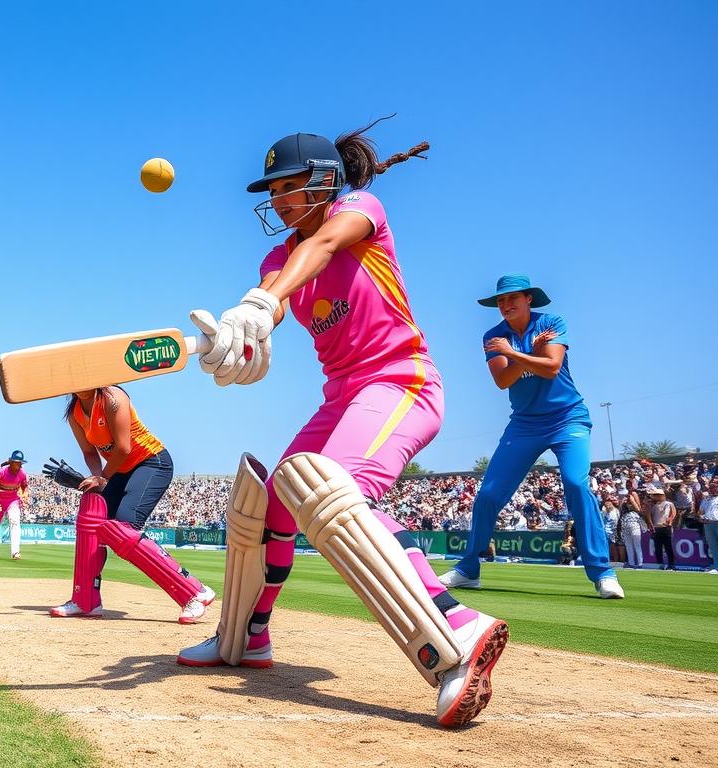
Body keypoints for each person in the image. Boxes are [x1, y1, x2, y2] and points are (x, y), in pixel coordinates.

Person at [175, 122, 504, 729]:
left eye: (290, 186)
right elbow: (275, 283)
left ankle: (456, 625)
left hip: (401, 382)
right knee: (268, 505)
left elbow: (322, 248)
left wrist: (265, 305)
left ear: (326, 182)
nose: (278, 200)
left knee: (337, 490)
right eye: (272, 190)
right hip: (342, 396)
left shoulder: (361, 209)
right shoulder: (277, 256)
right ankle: (247, 637)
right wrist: (239, 340)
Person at [440, 274, 621, 599]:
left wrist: (516, 353)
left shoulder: (551, 321)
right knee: (488, 496)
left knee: (577, 484)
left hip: (568, 419)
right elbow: (503, 380)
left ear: (528, 300)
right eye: (500, 301)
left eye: (512, 299)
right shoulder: (493, 336)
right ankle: (469, 569)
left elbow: (551, 366)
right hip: (524, 425)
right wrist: (523, 354)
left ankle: (602, 573)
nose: (506, 305)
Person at [46, 385, 214, 624]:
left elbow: (124, 448)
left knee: (123, 526)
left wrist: (102, 477)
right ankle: (85, 600)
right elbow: (90, 452)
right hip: (120, 470)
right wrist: (96, 480)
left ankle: (194, 591)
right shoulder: (75, 412)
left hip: (151, 462)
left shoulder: (113, 398)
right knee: (91, 514)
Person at [0, 450, 29, 560]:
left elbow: (24, 487)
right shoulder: (2, 471)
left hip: (13, 500)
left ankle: (15, 552)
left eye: (20, 463)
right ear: (11, 462)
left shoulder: (22, 474)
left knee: (15, 522)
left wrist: (25, 495)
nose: (19, 465)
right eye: (17, 462)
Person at [645, 488, 676, 570]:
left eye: (657, 495)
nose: (655, 497)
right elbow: (648, 515)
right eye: (655, 495)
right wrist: (651, 525)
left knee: (668, 546)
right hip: (656, 527)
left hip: (666, 527)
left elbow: (673, 513)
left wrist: (669, 521)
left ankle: (671, 564)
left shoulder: (668, 504)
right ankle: (660, 564)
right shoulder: (653, 505)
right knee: (658, 547)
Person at [617, 489, 646, 569]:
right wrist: (622, 502)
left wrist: (632, 500)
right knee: (628, 546)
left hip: (634, 524)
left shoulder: (634, 503)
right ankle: (631, 562)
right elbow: (620, 511)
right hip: (625, 524)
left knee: (637, 545)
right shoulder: (623, 503)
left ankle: (640, 563)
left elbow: (638, 509)